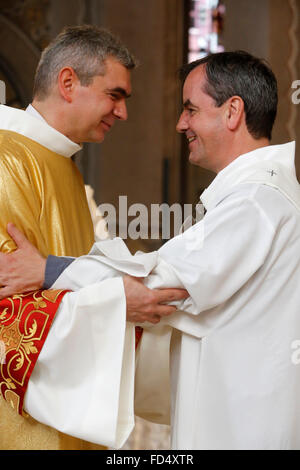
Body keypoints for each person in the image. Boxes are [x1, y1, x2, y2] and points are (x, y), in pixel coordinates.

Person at [2, 50, 300, 450]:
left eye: (190, 109)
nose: (181, 124)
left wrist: (48, 271)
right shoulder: (257, 198)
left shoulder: (257, 202)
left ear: (232, 112)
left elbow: (162, 283)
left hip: (241, 427)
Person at [0, 25, 187, 450]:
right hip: (20, 422)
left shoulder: (63, 164)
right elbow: (9, 311)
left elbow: (75, 276)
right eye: (114, 95)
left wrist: (126, 295)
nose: (122, 113)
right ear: (68, 83)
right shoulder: (7, 162)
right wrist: (120, 300)